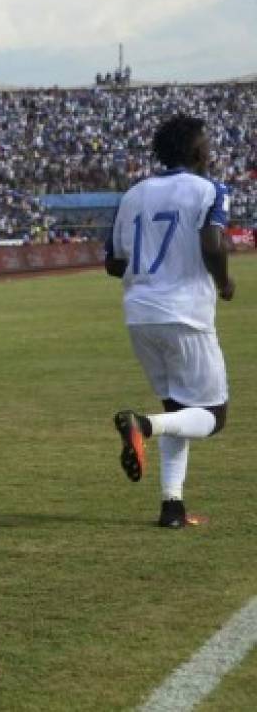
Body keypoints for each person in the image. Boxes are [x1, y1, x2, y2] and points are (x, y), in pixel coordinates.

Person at [105, 115, 234, 529]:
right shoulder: (209, 190)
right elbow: (212, 245)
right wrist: (225, 281)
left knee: (179, 410)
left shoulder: (134, 194)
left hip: (139, 316)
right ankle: (141, 425)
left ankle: (172, 507)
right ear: (197, 151)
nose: (210, 151)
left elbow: (113, 262)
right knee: (212, 417)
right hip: (185, 314)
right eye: (207, 144)